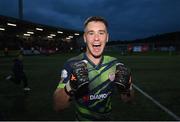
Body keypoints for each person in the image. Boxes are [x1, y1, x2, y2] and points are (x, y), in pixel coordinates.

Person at [53, 16, 134, 120]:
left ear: (107, 37)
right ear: (85, 38)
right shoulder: (72, 64)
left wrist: (127, 87)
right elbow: (58, 106)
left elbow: (128, 100)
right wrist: (71, 85)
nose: (96, 38)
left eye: (101, 33)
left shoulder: (115, 64)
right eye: (91, 33)